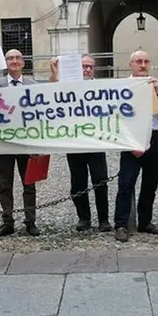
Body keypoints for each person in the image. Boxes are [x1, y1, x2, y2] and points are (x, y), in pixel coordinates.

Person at [113, 50, 158, 242]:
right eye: (138, 61)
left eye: (146, 61)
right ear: (131, 64)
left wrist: (156, 92)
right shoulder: (122, 86)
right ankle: (121, 224)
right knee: (126, 183)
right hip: (132, 139)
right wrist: (130, 144)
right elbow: (116, 118)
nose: (143, 64)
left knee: (150, 183)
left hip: (155, 137)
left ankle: (145, 221)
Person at [49, 54, 112, 232]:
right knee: (78, 182)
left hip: (96, 142)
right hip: (74, 142)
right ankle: (84, 218)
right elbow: (50, 96)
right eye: (84, 66)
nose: (87, 69)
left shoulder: (101, 87)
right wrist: (55, 74)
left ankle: (103, 219)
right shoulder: (67, 86)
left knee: (100, 180)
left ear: (94, 69)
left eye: (90, 67)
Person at [0, 49, 41, 237]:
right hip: (3, 143)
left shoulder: (33, 85)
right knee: (4, 184)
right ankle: (7, 221)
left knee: (29, 183)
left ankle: (30, 221)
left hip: (26, 143)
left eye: (18, 57)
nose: (14, 61)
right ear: (6, 63)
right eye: (10, 58)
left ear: (23, 62)